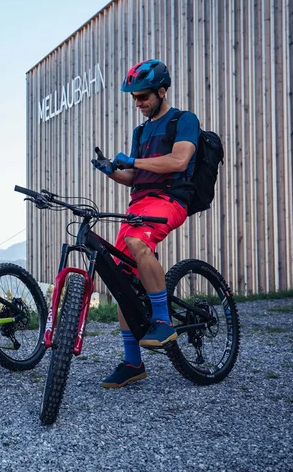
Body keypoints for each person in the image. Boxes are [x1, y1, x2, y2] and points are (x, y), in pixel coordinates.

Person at [91, 59, 200, 388]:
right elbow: (135, 177)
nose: (137, 104)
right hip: (138, 204)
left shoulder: (184, 120)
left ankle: (163, 322)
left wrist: (133, 160)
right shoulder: (140, 131)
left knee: (139, 243)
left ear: (162, 92)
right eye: (134, 99)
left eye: (143, 98)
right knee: (121, 281)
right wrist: (111, 170)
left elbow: (179, 160)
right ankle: (132, 363)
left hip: (170, 200)